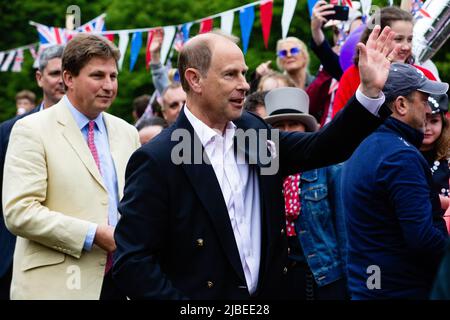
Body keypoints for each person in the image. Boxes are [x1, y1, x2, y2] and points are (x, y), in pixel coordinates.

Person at [112, 25, 398, 300]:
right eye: (230, 75)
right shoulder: (158, 158)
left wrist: (369, 92)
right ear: (195, 79)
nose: (244, 85)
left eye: (244, 74)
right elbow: (133, 261)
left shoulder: (253, 131)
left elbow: (322, 147)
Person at [2, 34, 140, 299]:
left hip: (121, 283)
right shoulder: (31, 129)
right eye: (98, 76)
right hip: (54, 288)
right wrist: (92, 234)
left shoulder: (127, 132)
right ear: (68, 78)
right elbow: (19, 212)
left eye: (113, 76)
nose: (109, 85)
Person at [342, 63, 449, 299]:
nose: (427, 110)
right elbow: (422, 238)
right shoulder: (400, 156)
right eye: (423, 100)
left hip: (371, 285)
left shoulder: (366, 144)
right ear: (401, 104)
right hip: (399, 290)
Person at [264, 87, 347, 300]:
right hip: (280, 278)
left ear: (306, 129)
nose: (287, 131)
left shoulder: (328, 167)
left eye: (293, 124)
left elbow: (344, 228)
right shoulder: (261, 172)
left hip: (325, 276)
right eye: (279, 126)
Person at [0, 44, 65, 300]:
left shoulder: (93, 130)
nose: (61, 80)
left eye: (66, 72)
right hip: (13, 254)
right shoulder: (8, 131)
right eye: (54, 73)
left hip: (72, 254)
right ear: (39, 77)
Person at [332, 6, 437, 118]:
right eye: (398, 39)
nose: (406, 46)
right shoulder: (352, 76)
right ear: (377, 38)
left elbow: (442, 122)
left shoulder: (424, 76)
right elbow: (338, 126)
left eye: (410, 39)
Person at [419, 94, 450, 229]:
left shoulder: (448, 157)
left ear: (443, 123)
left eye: (434, 121)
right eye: (423, 120)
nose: (427, 127)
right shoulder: (403, 154)